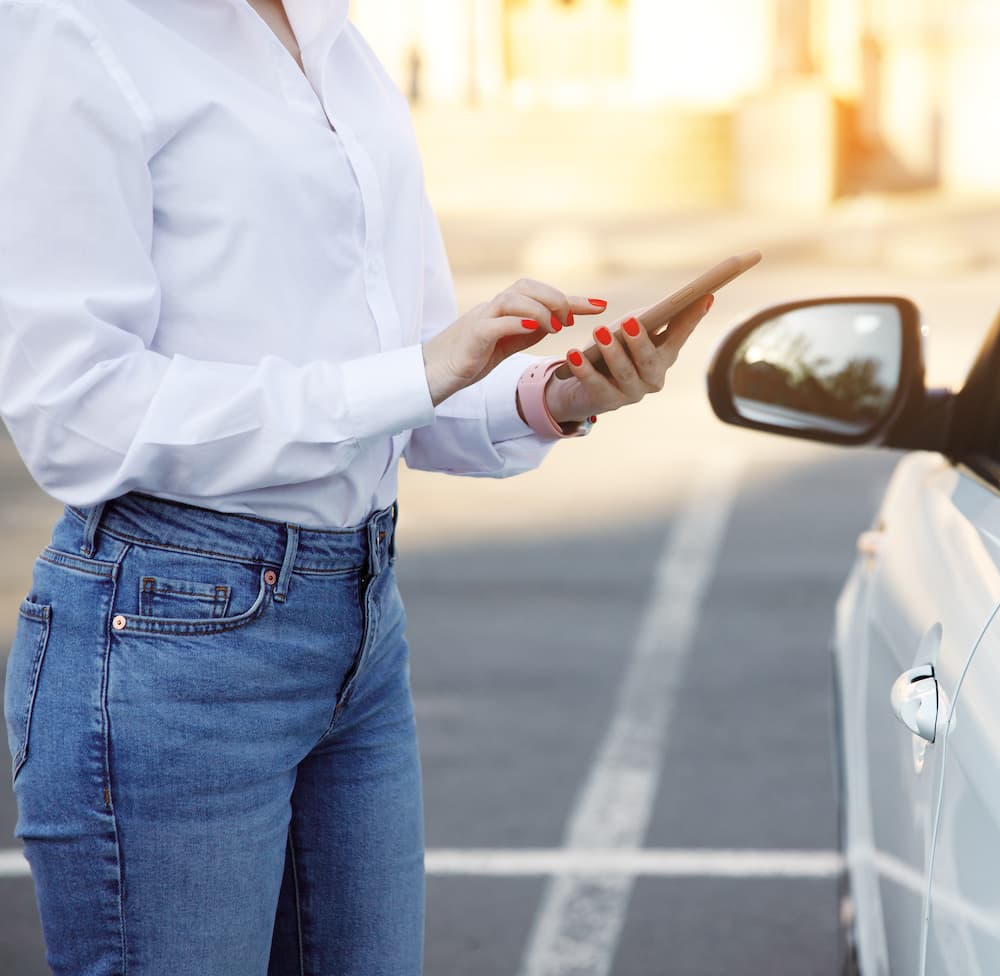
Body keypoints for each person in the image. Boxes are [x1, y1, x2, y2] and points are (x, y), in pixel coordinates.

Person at [0, 1, 713, 973]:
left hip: (359, 623)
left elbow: (406, 377)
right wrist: (414, 372)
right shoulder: (72, 28)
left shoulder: (335, 42)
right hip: (170, 636)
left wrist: (553, 393)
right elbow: (74, 411)